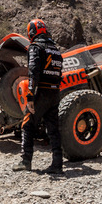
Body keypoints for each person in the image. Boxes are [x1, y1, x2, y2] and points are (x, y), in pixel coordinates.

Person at [13, 18, 65, 174]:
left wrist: (30, 96)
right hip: (55, 92)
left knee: (27, 125)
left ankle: (25, 161)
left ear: (32, 33)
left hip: (41, 93)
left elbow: (33, 72)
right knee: (53, 129)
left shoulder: (35, 47)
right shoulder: (56, 49)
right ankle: (57, 164)